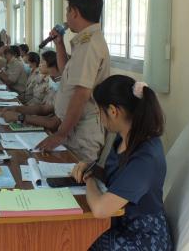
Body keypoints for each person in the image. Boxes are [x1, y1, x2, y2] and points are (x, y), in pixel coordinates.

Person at [3, 0, 110, 162]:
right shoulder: (85, 41)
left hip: (79, 132)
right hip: (70, 126)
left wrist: (60, 134)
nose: (66, 17)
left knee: (72, 182)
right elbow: (65, 71)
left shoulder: (89, 45)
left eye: (68, 11)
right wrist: (59, 44)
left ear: (74, 12)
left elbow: (81, 94)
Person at [72, 75, 173, 250]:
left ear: (113, 111)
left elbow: (101, 210)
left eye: (99, 111)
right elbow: (117, 177)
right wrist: (92, 168)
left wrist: (89, 180)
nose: (99, 117)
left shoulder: (145, 156)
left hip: (143, 237)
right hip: (121, 224)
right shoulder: (124, 138)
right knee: (74, 237)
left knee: (76, 241)